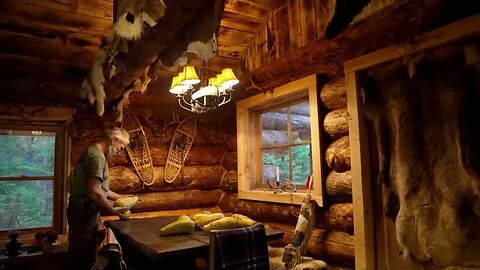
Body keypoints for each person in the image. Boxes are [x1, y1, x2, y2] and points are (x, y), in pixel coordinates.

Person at [67, 127, 131, 270]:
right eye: (121, 147)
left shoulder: (95, 152)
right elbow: (94, 192)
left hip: (82, 212)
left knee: (85, 253)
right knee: (82, 258)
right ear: (114, 140)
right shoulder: (96, 157)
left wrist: (122, 198)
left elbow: (101, 189)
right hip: (84, 212)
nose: (119, 151)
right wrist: (113, 210)